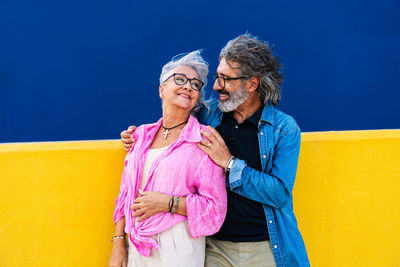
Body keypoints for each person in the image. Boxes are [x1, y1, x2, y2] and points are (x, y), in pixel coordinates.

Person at [121, 34, 309, 267]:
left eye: (225, 79)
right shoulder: (209, 117)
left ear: (251, 84)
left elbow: (279, 193)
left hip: (266, 248)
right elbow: (173, 121)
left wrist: (229, 163)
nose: (216, 86)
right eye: (216, 77)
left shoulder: (284, 129)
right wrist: (138, 136)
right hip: (215, 248)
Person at [110, 51, 227, 267]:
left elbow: (214, 210)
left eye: (195, 85)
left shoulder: (202, 141)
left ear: (197, 99)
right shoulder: (140, 136)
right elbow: (125, 194)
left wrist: (168, 203)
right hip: (137, 248)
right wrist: (118, 243)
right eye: (180, 79)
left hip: (179, 248)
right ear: (161, 89)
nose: (188, 86)